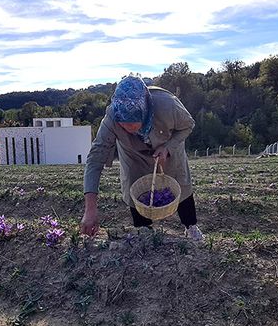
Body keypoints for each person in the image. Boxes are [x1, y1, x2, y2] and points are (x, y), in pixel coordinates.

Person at [81, 75, 204, 241]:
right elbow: (95, 158)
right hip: (133, 154)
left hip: (166, 147)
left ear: (145, 112)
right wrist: (90, 210)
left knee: (180, 185)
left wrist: (168, 147)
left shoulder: (168, 105)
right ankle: (145, 232)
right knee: (135, 188)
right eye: (123, 124)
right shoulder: (112, 117)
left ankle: (191, 226)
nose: (128, 128)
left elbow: (188, 125)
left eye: (133, 123)